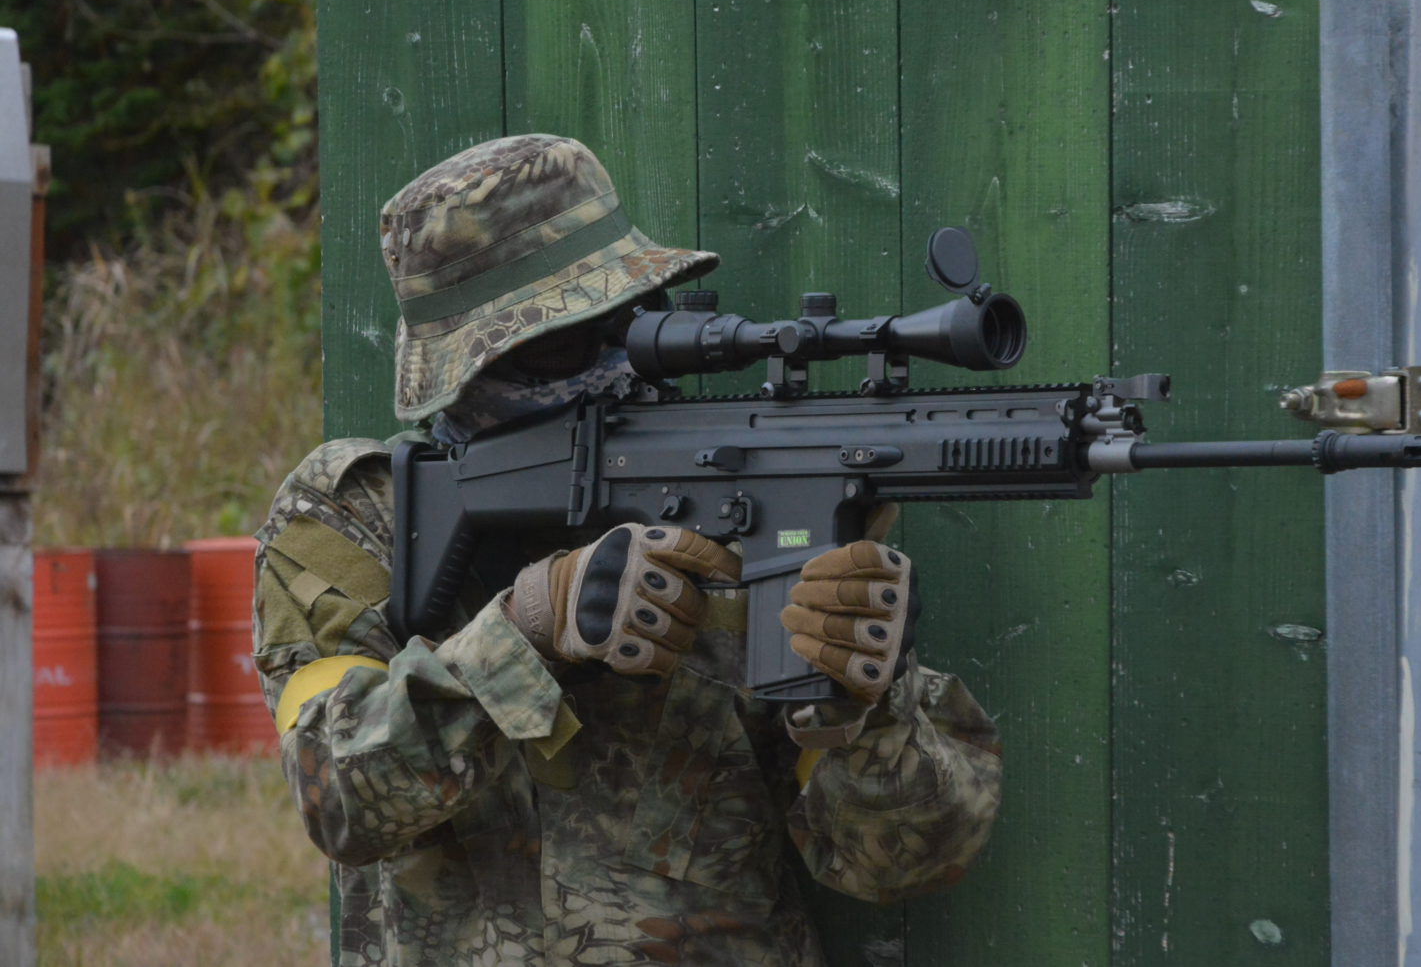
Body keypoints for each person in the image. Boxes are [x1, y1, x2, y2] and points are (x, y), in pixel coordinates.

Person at [253, 134, 1003, 965]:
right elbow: (337, 798)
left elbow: (896, 862)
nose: (617, 359)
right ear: (476, 363)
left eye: (630, 317)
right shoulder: (359, 512)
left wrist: (867, 700)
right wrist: (528, 626)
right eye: (569, 337)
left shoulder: (744, 501)